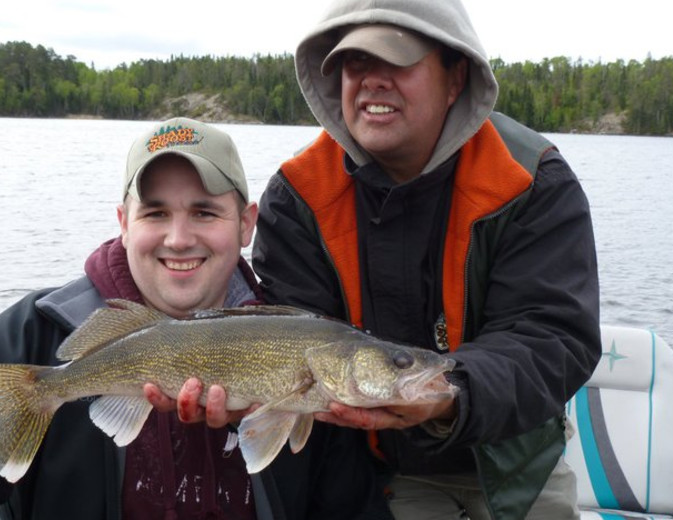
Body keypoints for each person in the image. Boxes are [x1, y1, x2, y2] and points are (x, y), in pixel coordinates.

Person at [0, 117, 391, 519]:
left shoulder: (309, 348)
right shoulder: (33, 335)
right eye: (155, 213)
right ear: (123, 222)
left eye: (204, 212)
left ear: (246, 223)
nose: (178, 238)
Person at [249, 0, 603, 519]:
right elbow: (296, 340)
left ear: (455, 77)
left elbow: (552, 338)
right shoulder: (298, 196)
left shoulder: (530, 180)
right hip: (376, 471)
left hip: (515, 464)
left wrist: (449, 394)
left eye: (396, 61)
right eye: (355, 64)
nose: (372, 82)